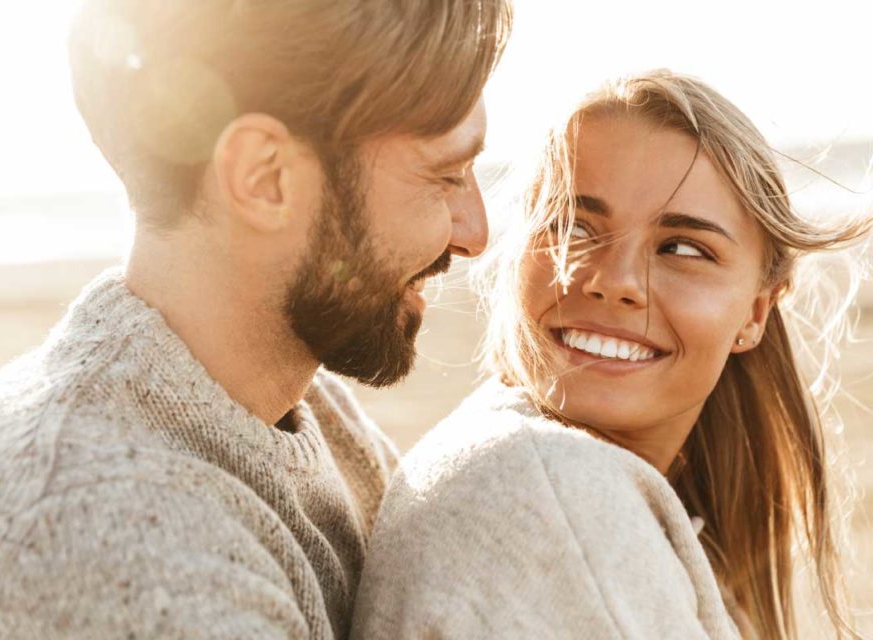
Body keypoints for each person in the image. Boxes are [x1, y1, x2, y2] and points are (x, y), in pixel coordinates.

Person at [0, 1, 512, 637]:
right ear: (264, 177)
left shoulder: (303, 406)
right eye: (445, 175)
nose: (475, 233)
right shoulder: (108, 550)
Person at [351, 70, 870, 640]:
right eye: (575, 227)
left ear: (754, 314)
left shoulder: (552, 469)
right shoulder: (551, 486)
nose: (615, 282)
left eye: (680, 248)